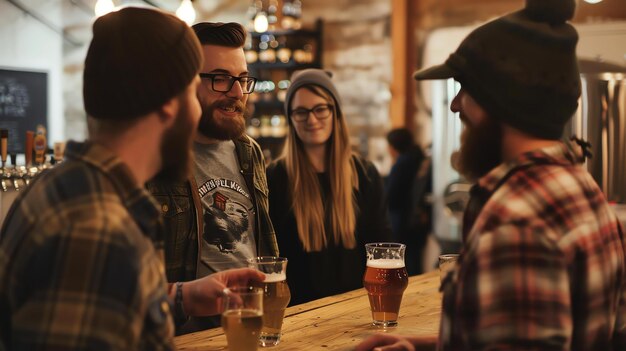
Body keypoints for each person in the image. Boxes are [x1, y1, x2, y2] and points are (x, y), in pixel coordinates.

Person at [357, 0, 625, 350]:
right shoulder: (582, 188)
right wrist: (422, 346)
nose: (455, 105)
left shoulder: (516, 222)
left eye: (465, 89)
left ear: (500, 99)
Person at [0, 7, 264, 350]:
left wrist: (183, 296)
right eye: (192, 92)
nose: (198, 109)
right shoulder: (97, 227)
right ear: (171, 102)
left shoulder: (69, 189)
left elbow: (106, 302)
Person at [146, 22, 279, 332]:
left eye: (243, 79)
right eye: (220, 79)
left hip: (251, 323)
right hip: (183, 333)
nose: (236, 92)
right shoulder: (154, 156)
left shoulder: (249, 151)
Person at [266, 69, 392, 306]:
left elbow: (381, 248)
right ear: (291, 118)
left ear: (336, 112)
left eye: (320, 109)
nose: (311, 120)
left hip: (356, 310)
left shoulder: (365, 175)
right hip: (296, 316)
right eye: (301, 112)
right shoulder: (275, 178)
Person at [385, 128, 430, 275]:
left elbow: (391, 196)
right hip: (418, 220)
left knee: (405, 265)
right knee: (415, 262)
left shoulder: (402, 163)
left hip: (403, 221)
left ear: (393, 146)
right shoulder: (420, 158)